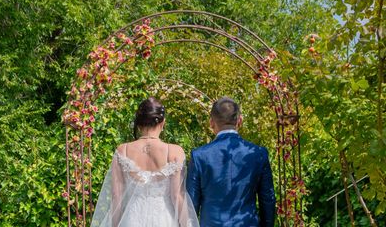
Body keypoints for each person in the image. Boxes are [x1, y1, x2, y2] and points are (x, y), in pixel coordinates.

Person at [91, 97, 199, 227]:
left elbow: (116, 196)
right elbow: (177, 196)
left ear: (138, 122)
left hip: (132, 219)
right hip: (164, 219)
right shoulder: (175, 152)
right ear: (162, 122)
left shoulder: (122, 151)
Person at [186, 97, 276, 227]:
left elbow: (191, 204)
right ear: (239, 121)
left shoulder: (199, 156)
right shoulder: (258, 154)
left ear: (211, 122)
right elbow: (268, 199)